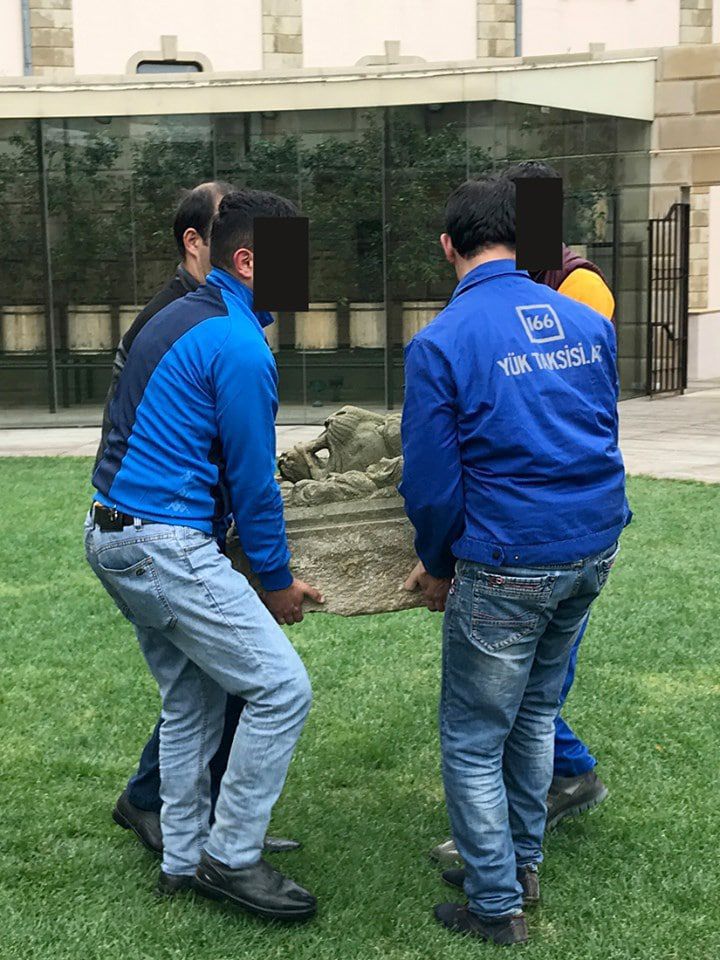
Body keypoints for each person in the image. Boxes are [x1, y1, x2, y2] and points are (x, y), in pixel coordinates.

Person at [401, 175, 629, 944]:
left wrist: (437, 564)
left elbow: (431, 485)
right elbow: (600, 427)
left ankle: (496, 904)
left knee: (473, 736)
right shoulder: (587, 320)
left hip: (509, 560)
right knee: (532, 714)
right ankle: (520, 864)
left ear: (448, 247)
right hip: (590, 546)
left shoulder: (441, 342)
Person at [85, 188, 322, 920]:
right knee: (282, 689)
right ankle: (231, 856)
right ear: (246, 261)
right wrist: (275, 582)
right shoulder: (240, 343)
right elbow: (253, 484)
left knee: (193, 701)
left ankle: (183, 861)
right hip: (162, 541)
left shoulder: (178, 315)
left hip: (112, 535)